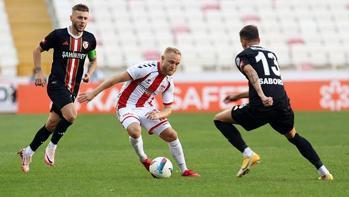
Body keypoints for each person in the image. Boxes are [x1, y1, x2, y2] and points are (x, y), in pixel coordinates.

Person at [213, 25, 333, 180]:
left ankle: (248, 154)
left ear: (243, 41)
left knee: (219, 119)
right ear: (259, 39)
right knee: (293, 135)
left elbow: (252, 73)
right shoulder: (271, 54)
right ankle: (325, 173)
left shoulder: (243, 55)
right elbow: (269, 82)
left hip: (262, 105)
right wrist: (239, 95)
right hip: (282, 103)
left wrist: (262, 97)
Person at [77, 47, 199, 177]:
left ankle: (185, 170)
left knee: (172, 135)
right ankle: (144, 159)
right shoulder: (145, 68)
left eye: (177, 64)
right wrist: (93, 93)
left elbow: (168, 108)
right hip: (126, 105)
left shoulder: (168, 82)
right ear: (162, 59)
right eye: (171, 62)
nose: (173, 66)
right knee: (135, 131)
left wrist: (159, 114)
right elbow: (115, 79)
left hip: (147, 108)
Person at [18, 4, 97, 173]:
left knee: (52, 124)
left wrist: (89, 73)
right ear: (71, 18)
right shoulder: (58, 35)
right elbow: (37, 50)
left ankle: (27, 152)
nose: (82, 21)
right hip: (56, 84)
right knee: (71, 115)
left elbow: (93, 60)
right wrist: (39, 72)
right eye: (79, 17)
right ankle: (52, 147)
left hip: (73, 88)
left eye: (85, 18)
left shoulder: (90, 39)